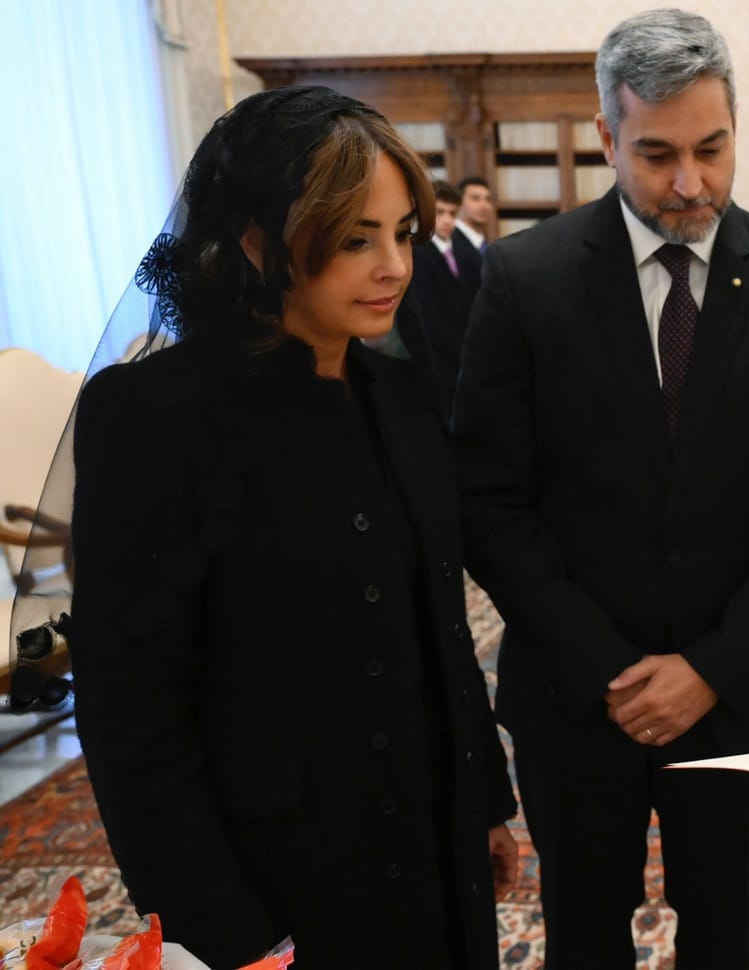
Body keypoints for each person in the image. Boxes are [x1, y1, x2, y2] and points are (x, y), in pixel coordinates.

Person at [66, 86, 518, 970]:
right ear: (256, 241)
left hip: (435, 851)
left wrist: (485, 804)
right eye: (357, 239)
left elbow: (444, 630)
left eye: (403, 235)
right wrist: (228, 936)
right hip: (284, 882)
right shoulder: (154, 419)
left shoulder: (398, 395)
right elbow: (132, 720)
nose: (393, 266)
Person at [452, 10, 749, 969]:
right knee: (584, 936)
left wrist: (708, 668)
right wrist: (614, 670)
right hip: (572, 695)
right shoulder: (527, 280)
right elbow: (490, 502)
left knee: (720, 937)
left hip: (737, 698)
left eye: (712, 149)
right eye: (657, 153)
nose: (691, 183)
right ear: (607, 136)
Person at [407, 179, 483, 417]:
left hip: (468, 355)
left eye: (452, 213)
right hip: (437, 362)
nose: (447, 220)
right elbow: (428, 317)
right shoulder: (417, 253)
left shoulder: (464, 250)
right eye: (440, 212)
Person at [455, 175, 494, 252]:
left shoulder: (486, 244)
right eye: (475, 198)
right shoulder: (449, 240)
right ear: (458, 202)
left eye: (488, 199)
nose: (484, 205)